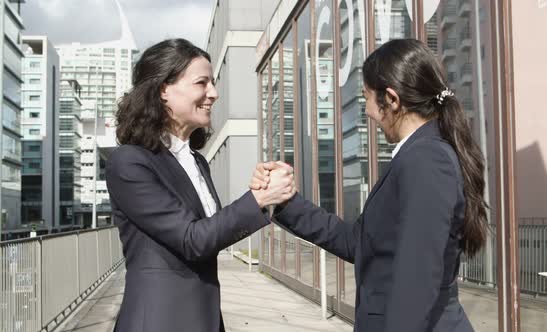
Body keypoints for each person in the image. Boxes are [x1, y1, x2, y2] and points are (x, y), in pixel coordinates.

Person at [251, 39, 488, 331]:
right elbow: (357, 242)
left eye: (366, 99)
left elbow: (417, 279)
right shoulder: (420, 155)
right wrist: (283, 200)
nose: (367, 112)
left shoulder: (426, 159)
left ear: (391, 99)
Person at [106, 38, 295, 332]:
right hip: (159, 322)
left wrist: (262, 195)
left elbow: (212, 235)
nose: (214, 94)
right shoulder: (129, 163)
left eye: (213, 83)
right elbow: (191, 240)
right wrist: (256, 200)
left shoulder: (197, 162)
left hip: (205, 319)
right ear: (163, 90)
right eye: (202, 83)